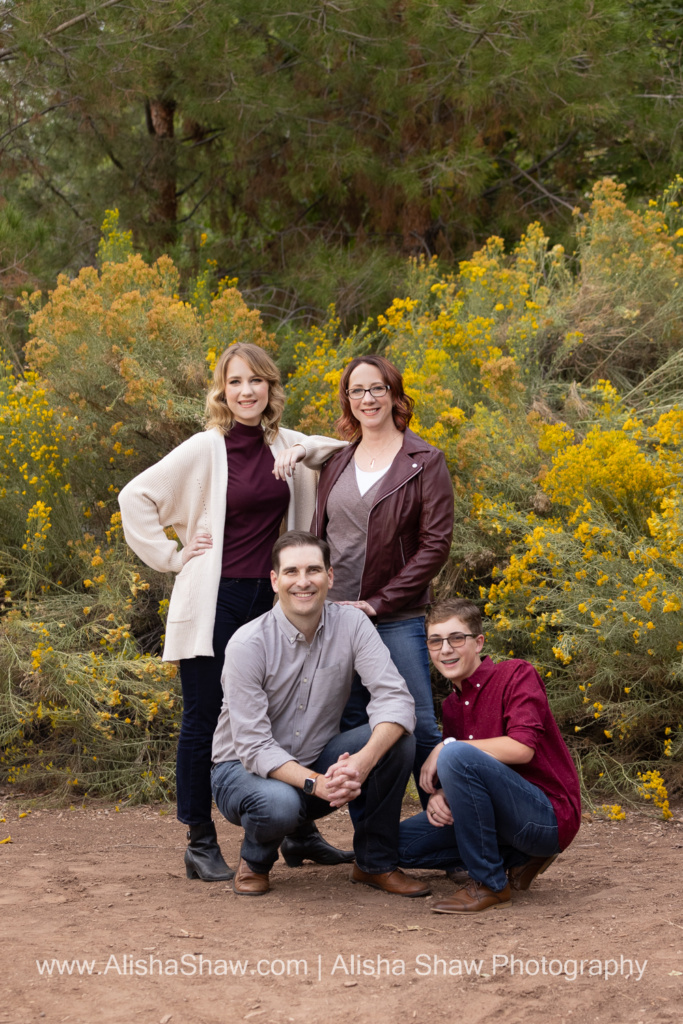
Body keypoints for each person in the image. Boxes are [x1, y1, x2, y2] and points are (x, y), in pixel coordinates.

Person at [118, 343, 348, 882]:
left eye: (257, 381)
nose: (247, 391)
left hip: (274, 603)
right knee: (204, 718)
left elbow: (344, 450)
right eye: (236, 382)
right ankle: (200, 840)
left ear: (271, 388)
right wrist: (173, 557)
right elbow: (136, 497)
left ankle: (299, 832)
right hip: (216, 601)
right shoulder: (206, 447)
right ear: (222, 390)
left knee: (284, 712)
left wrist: (302, 451)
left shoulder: (286, 444)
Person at [211, 530, 431, 898]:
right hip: (240, 770)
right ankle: (255, 860)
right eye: (292, 571)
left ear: (330, 577)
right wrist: (316, 783)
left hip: (316, 761)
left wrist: (362, 762)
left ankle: (375, 864)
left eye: (313, 570)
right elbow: (252, 746)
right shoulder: (248, 644)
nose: (303, 581)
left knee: (396, 738)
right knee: (279, 802)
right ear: (275, 580)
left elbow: (395, 699)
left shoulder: (353, 624)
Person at [294, 354, 454, 804]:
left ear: (394, 394)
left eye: (377, 388)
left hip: (395, 616)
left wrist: (379, 602)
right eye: (357, 391)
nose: (368, 398)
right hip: (334, 618)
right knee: (352, 727)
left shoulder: (425, 460)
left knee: (418, 722)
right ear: (347, 400)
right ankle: (371, 852)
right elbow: (318, 535)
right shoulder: (338, 462)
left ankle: (445, 836)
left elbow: (435, 546)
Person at [398, 598, 582, 913]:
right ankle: (519, 859)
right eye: (436, 641)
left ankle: (490, 884)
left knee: (456, 754)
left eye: (457, 638)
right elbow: (474, 772)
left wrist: (446, 747)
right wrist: (442, 794)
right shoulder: (452, 706)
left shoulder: (516, 674)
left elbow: (521, 749)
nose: (446, 649)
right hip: (499, 823)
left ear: (479, 641)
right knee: (396, 844)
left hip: (545, 817)